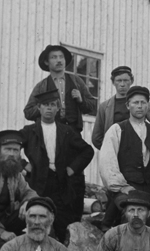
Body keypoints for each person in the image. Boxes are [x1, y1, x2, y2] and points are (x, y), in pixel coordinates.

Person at [99, 85, 150, 227]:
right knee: (124, 228)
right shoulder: (117, 130)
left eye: (143, 103)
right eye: (135, 102)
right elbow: (107, 162)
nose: (139, 106)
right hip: (125, 188)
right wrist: (121, 187)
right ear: (128, 105)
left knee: (145, 229)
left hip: (147, 188)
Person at [20, 87, 95, 242]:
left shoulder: (66, 131)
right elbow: (10, 149)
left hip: (61, 184)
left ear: (58, 108)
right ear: (39, 108)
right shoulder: (29, 131)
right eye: (45, 105)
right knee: (37, 220)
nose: (49, 108)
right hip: (38, 184)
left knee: (62, 224)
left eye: (53, 105)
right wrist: (24, 165)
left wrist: (71, 169)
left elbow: (87, 151)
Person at [91, 66, 150, 149]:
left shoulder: (142, 104)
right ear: (113, 82)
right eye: (119, 81)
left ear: (131, 81)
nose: (122, 84)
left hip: (138, 150)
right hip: (115, 152)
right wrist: (110, 150)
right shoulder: (105, 107)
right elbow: (96, 138)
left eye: (126, 80)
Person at [24, 44, 97, 131]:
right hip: (49, 132)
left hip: (73, 133)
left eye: (61, 57)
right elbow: (28, 112)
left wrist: (81, 100)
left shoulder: (77, 81)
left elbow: (92, 106)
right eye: (54, 57)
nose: (59, 60)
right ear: (46, 62)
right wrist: (43, 106)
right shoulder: (41, 86)